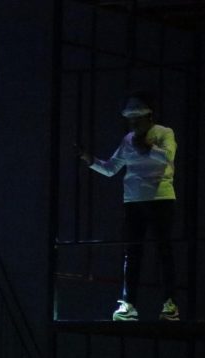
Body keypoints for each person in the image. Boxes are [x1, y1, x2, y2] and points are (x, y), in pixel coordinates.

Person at [79, 91, 179, 322]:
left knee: (163, 252)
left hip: (160, 199)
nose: (133, 123)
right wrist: (89, 159)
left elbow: (169, 157)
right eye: (130, 119)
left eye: (137, 118)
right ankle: (129, 305)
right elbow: (111, 169)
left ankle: (170, 304)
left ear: (148, 116)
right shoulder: (128, 140)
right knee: (132, 253)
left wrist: (147, 147)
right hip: (133, 201)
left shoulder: (164, 133)